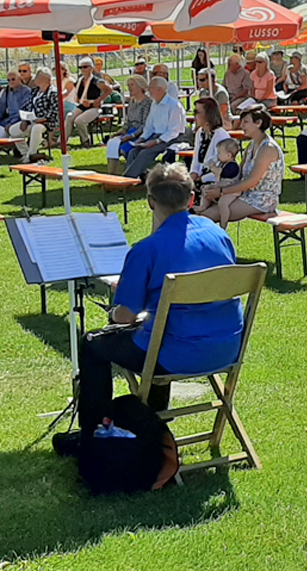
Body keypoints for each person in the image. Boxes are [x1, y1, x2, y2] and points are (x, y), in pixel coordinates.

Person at [64, 163, 244, 444]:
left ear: (150, 202)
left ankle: (96, 433)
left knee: (93, 344)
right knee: (157, 329)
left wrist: (114, 310)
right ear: (192, 199)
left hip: (175, 355)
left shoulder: (148, 249)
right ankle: (155, 418)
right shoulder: (218, 234)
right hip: (227, 348)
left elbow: (124, 317)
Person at [201, 107, 284, 228]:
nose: (241, 125)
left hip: (262, 200)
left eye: (245, 122)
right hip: (245, 194)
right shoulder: (251, 146)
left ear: (258, 123)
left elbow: (251, 181)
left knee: (207, 216)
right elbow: (239, 175)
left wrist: (220, 192)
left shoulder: (268, 148)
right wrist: (216, 186)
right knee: (204, 210)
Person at [123, 77, 185, 179]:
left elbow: (174, 131)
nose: (148, 91)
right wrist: (142, 139)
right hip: (157, 136)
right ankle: (139, 178)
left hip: (171, 138)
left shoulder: (174, 106)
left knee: (145, 153)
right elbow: (149, 126)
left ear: (160, 89)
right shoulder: (154, 104)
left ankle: (127, 179)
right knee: (133, 151)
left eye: (151, 88)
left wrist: (155, 141)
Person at [105, 74, 152, 174]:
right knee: (112, 146)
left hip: (141, 134)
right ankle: (112, 175)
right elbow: (128, 121)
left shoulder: (148, 102)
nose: (130, 88)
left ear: (140, 86)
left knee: (123, 150)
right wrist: (121, 131)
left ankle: (131, 174)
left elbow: (145, 125)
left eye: (132, 85)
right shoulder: (132, 102)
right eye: (128, 85)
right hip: (130, 132)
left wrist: (131, 136)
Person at [9, 67, 57, 163]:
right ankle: (25, 152)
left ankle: (31, 154)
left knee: (37, 128)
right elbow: (26, 106)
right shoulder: (35, 91)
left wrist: (42, 119)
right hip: (31, 120)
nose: (35, 78)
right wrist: (24, 120)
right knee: (13, 131)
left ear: (44, 79)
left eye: (38, 76)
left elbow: (55, 111)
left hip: (46, 122)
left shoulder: (53, 93)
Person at [66, 56, 111, 148]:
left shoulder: (96, 81)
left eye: (85, 67)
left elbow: (109, 90)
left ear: (91, 68)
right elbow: (77, 96)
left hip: (94, 107)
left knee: (79, 120)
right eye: (80, 67)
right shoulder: (80, 80)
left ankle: (85, 141)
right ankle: (62, 141)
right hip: (82, 106)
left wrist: (99, 100)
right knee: (69, 116)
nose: (82, 69)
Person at [189, 97, 231, 189]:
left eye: (197, 112)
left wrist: (201, 179)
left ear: (208, 115)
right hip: (200, 181)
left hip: (216, 181)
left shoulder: (221, 135)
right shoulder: (200, 132)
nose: (194, 115)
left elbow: (222, 167)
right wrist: (193, 175)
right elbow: (196, 160)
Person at [194, 138, 241, 215]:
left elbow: (223, 173)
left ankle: (224, 221)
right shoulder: (223, 163)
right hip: (221, 185)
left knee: (223, 204)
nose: (218, 156)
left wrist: (213, 168)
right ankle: (203, 205)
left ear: (228, 155)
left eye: (219, 153)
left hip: (230, 189)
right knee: (206, 188)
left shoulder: (233, 166)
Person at [0, 70, 31, 143]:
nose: (11, 82)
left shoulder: (26, 92)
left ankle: (16, 149)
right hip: (8, 120)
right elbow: (0, 109)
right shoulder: (6, 92)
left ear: (19, 79)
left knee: (6, 136)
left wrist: (12, 124)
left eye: (13, 79)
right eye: (8, 80)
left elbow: (25, 109)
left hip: (21, 121)